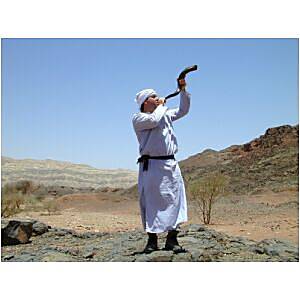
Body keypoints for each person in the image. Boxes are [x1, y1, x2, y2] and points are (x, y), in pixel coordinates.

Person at [132, 79, 190, 253]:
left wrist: (183, 91)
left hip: (170, 164)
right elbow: (154, 120)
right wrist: (162, 106)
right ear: (145, 102)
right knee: (151, 202)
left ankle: (172, 239)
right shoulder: (139, 118)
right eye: (153, 96)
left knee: (174, 200)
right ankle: (152, 241)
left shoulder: (163, 113)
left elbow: (183, 110)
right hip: (152, 167)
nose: (158, 98)